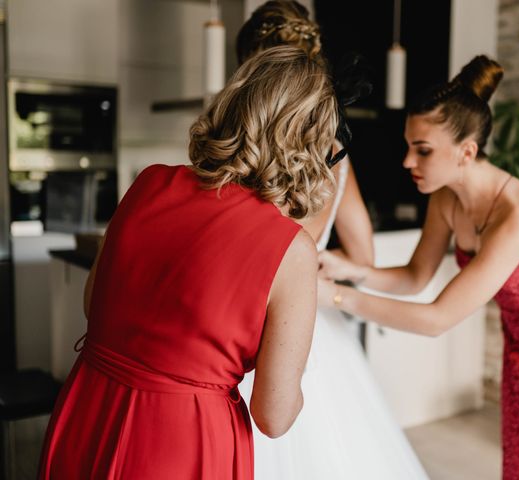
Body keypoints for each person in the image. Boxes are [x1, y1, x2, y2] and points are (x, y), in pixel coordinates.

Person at [319, 55, 519, 479]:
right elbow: (416, 277)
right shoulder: (446, 199)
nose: (407, 162)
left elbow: (437, 319)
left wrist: (337, 296)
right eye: (408, 146)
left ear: (467, 151)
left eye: (423, 150)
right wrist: (349, 269)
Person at [38, 46, 339, 480]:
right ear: (309, 144)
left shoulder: (148, 184)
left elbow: (92, 303)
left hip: (89, 408)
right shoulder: (291, 250)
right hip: (181, 441)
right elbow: (274, 416)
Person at [236, 2, 429, 479]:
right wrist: (315, 267)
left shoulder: (244, 150)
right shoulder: (335, 155)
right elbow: (361, 255)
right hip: (315, 332)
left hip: (244, 328)